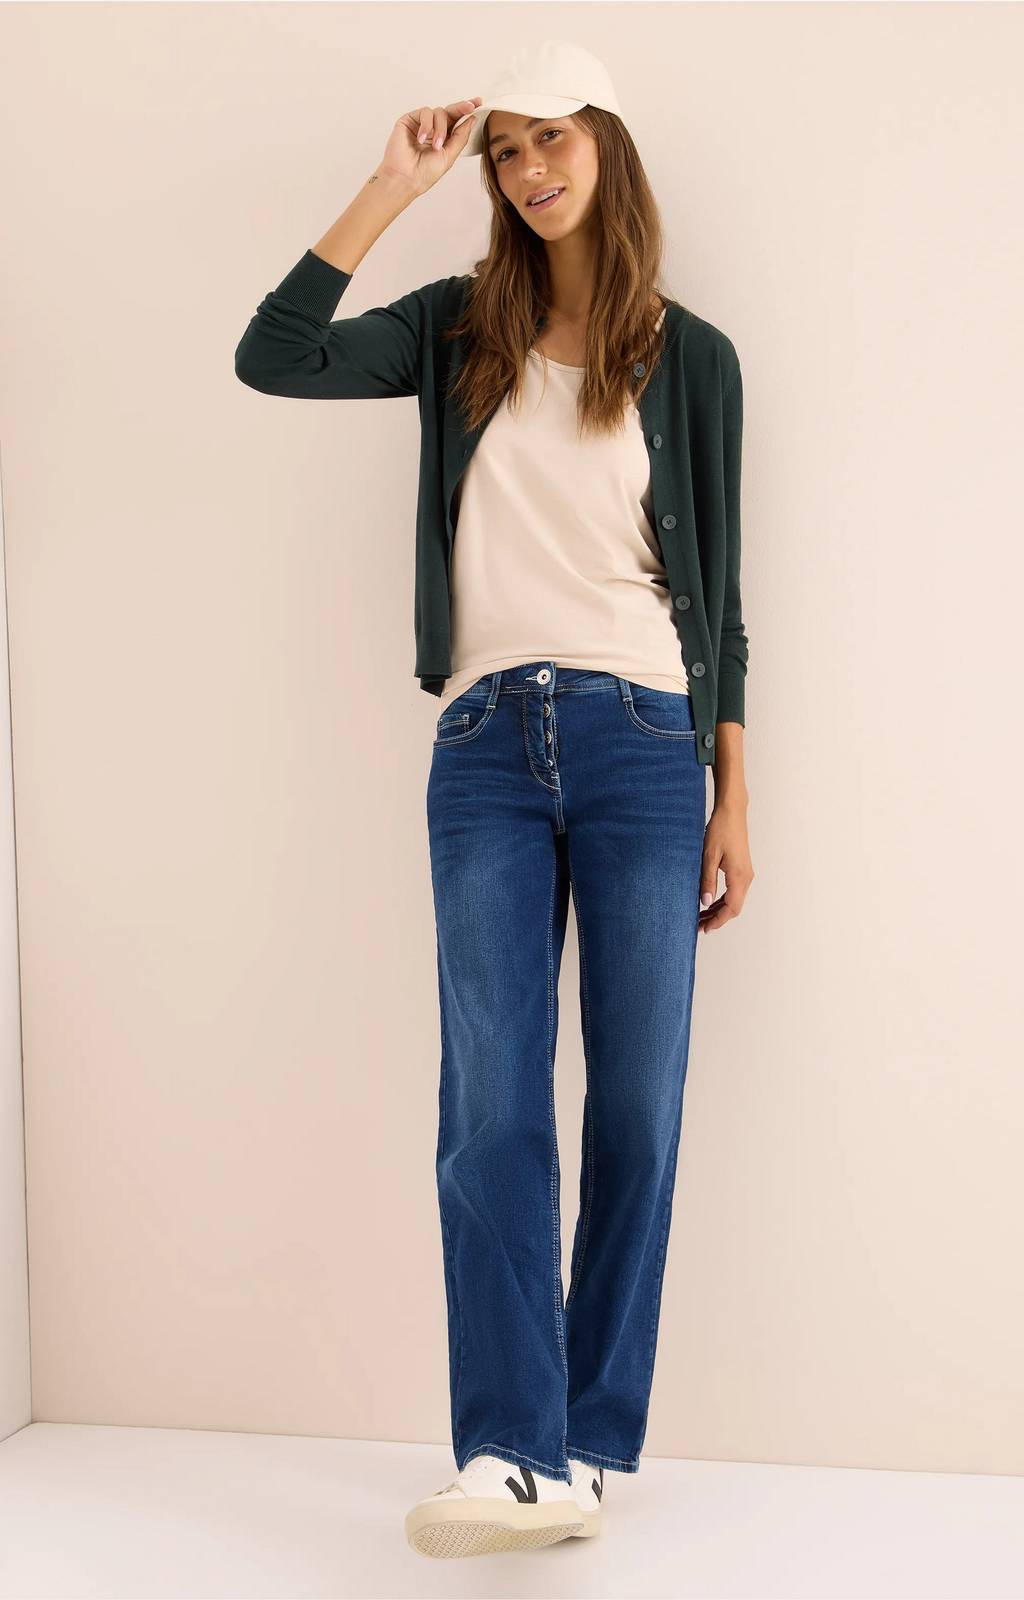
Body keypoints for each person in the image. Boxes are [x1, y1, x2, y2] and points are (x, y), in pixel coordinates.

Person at [235, 38, 755, 1563]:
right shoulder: (456, 328)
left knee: (639, 1106)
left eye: (552, 140)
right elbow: (275, 354)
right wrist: (389, 185)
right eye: (504, 150)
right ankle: (509, 1450)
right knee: (493, 1107)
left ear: (607, 146)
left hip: (645, 741)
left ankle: (583, 1445)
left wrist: (735, 791)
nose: (527, 169)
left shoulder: (695, 359)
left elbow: (727, 601)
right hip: (484, 747)